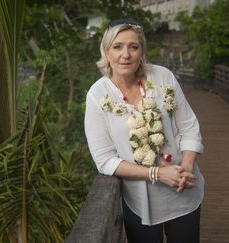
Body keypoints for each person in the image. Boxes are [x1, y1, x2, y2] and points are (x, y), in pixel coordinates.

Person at [84, 19, 204, 243]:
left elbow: (189, 127)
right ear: (106, 52)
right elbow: (105, 160)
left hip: (183, 190)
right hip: (139, 201)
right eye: (118, 47)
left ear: (142, 51)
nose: (126, 54)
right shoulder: (98, 95)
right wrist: (157, 174)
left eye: (133, 46)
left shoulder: (163, 77)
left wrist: (186, 167)